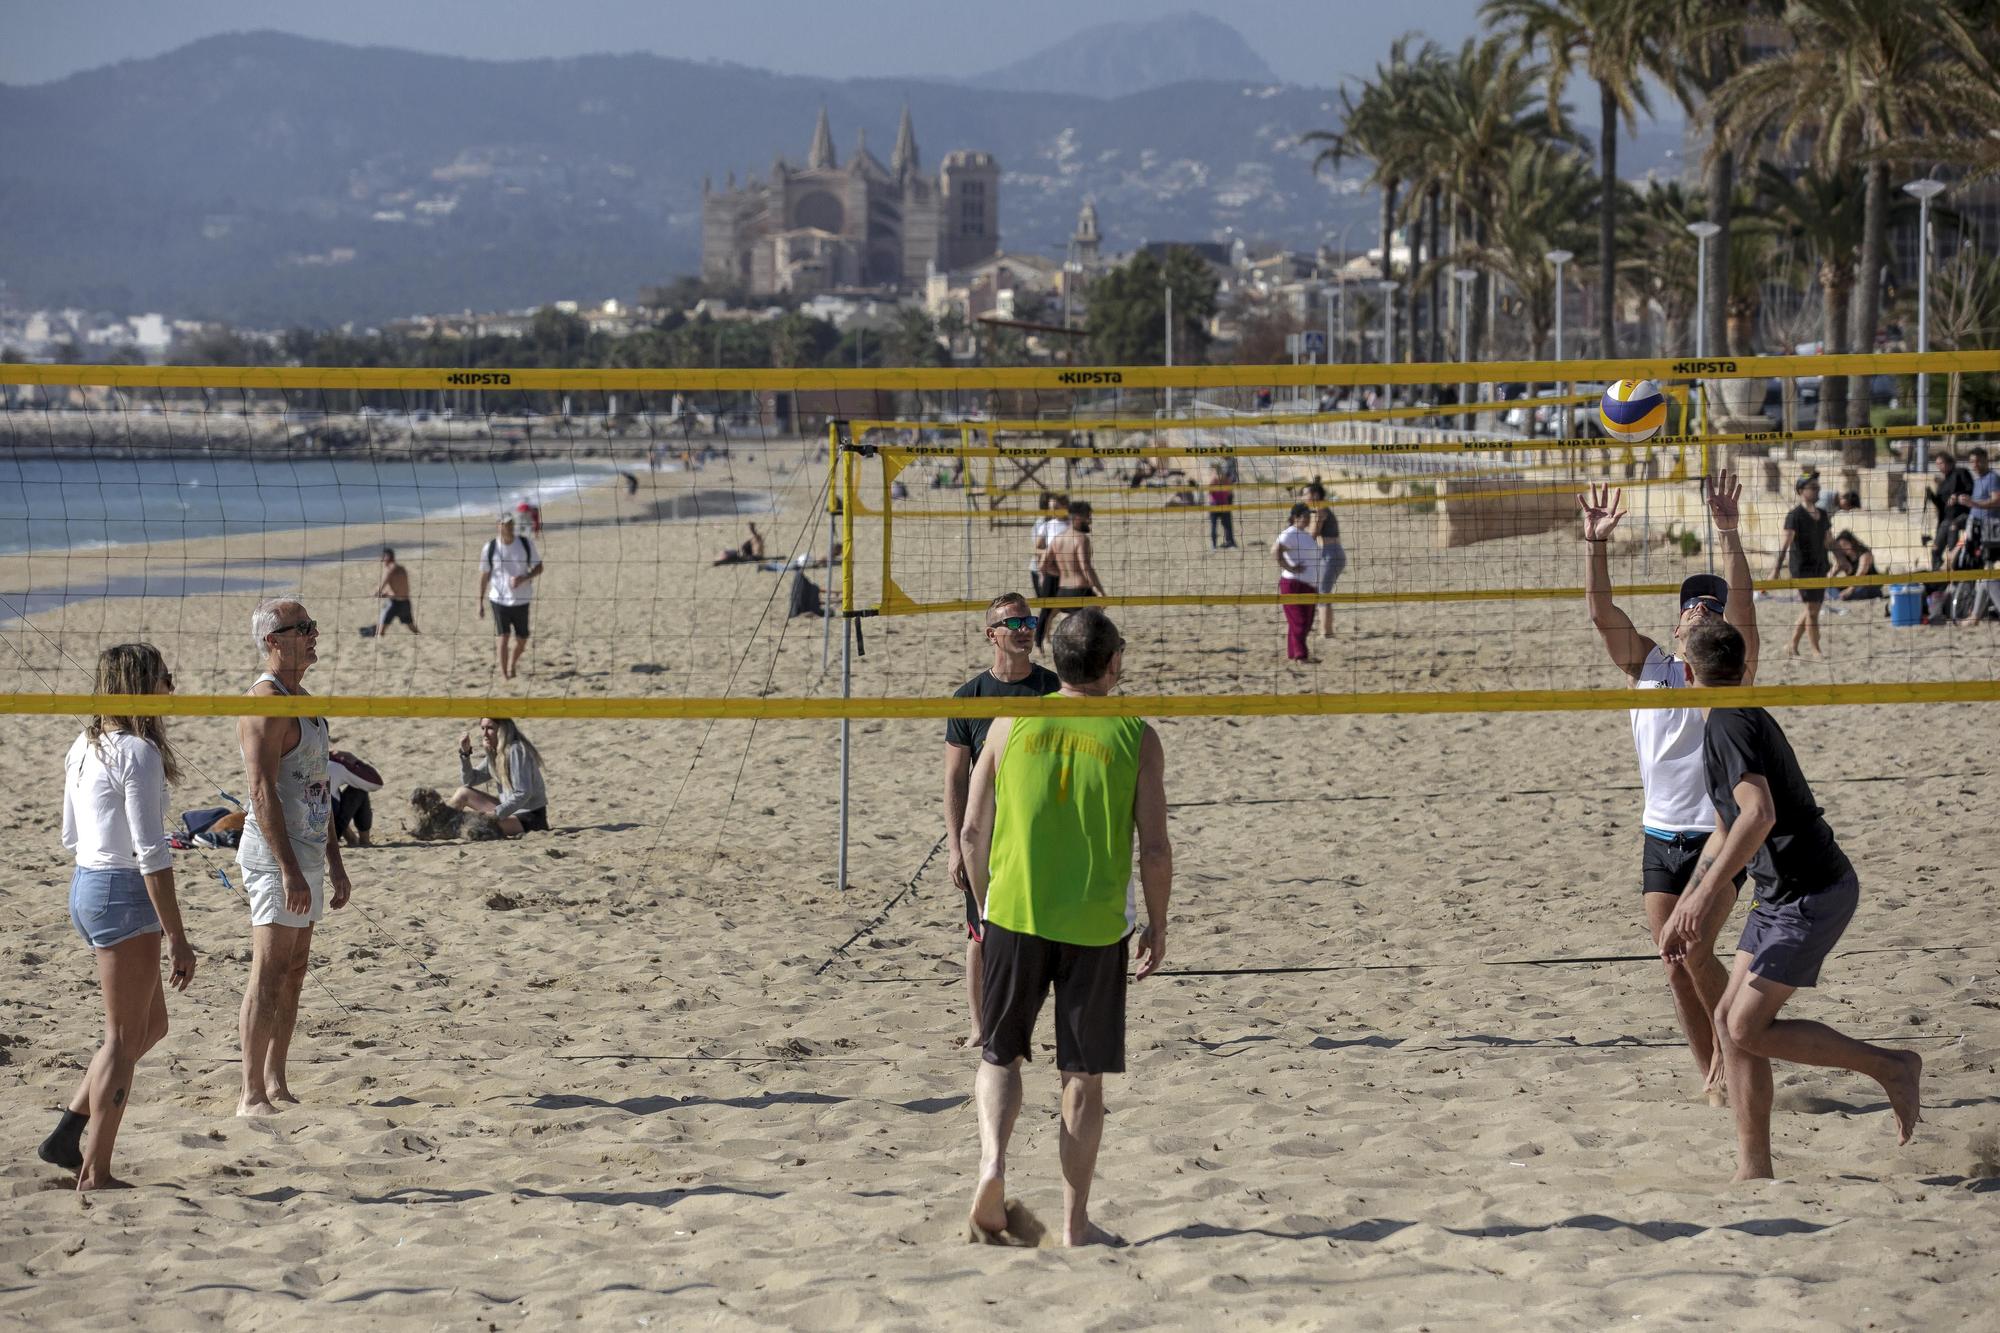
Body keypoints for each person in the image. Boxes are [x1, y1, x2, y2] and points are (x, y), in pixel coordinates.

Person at [1662, 620, 1923, 1179]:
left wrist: (1702, 898)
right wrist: (1692, 900)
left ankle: (1892, 1066)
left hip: (1813, 891)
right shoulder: (1731, 715)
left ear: (1686, 674)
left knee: (1746, 1027)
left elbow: (1759, 815)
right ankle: (1754, 1170)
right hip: (1780, 892)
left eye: (1678, 649)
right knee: (1731, 1022)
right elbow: (1725, 825)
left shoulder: (1729, 723)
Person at [959, 608, 1171, 1247]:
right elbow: (1155, 849)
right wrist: (1159, 923)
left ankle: (993, 1162)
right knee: (1082, 1075)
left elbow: (972, 830)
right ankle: (1076, 1225)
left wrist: (983, 904)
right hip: (1094, 921)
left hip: (1015, 911)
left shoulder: (1009, 721)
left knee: (1000, 1053)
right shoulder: (1135, 733)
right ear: (1112, 665)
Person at [1579, 471, 1758, 1098]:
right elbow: (1601, 613)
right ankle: (1712, 1066)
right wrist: (1596, 545)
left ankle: (1735, 1049)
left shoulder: (1729, 672)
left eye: (1709, 604)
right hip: (1660, 835)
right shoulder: (1650, 664)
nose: (1698, 608)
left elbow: (1745, 613)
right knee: (1673, 962)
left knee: (1696, 954)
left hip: (1717, 838)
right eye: (1690, 602)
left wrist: (1729, 533)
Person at [41, 643, 196, 1190]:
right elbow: (151, 854)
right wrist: (178, 937)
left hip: (86, 885)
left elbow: (70, 835)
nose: (171, 687)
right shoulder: (139, 751)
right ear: (138, 685)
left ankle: (67, 1133)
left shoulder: (82, 745)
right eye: (164, 677)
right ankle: (96, 1171)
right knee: (122, 1038)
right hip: (122, 891)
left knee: (151, 1026)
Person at [236, 599, 350, 1117]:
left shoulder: (304, 698)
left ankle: (277, 1081)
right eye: (302, 628)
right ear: (273, 642)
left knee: (296, 970)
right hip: (273, 856)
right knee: (269, 969)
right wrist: (287, 871)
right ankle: (250, 1093)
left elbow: (318, 785)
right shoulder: (264, 702)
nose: (314, 633)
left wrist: (335, 859)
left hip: (307, 850)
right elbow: (261, 794)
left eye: (313, 625)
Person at [944, 594, 1063, 1048]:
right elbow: (955, 778)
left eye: (1028, 620)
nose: (1023, 628)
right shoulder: (969, 697)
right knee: (983, 931)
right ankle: (979, 1027)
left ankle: (1039, 1021)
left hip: (1043, 830)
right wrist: (956, 846)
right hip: (989, 834)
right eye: (1011, 622)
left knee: (1049, 931)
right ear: (990, 633)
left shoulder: (1054, 689)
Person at [449, 717, 550, 836]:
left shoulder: (516, 750)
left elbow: (523, 793)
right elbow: (469, 780)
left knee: (472, 827)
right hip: (508, 811)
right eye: (483, 728)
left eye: (490, 728)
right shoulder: (496, 752)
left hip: (529, 818)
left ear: (503, 730)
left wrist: (496, 814)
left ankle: (444, 828)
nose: (485, 734)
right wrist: (465, 754)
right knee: (463, 792)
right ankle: (437, 825)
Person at [1772, 476, 1832, 657]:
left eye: (1817, 487)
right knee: (1812, 610)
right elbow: (1785, 544)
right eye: (1812, 487)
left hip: (1820, 567)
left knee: (1812, 609)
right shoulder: (1794, 515)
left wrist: (1842, 560)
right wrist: (1776, 569)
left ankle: (1792, 644)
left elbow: (1829, 540)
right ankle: (1816, 650)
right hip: (1802, 569)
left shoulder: (1823, 514)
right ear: (1801, 491)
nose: (1817, 490)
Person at [479, 511, 542, 681]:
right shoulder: (490, 547)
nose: (509, 527)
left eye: (511, 523)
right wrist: (480, 602)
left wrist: (524, 578)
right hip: (498, 599)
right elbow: (484, 575)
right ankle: (504, 673)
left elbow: (539, 567)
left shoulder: (525, 543)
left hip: (522, 599)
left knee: (522, 640)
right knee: (503, 637)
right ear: (498, 526)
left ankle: (513, 663)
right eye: (505, 524)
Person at [1040, 501, 1105, 643]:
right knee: (1097, 629)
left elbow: (1043, 565)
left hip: (1062, 591)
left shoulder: (1057, 539)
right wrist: (1099, 590)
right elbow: (1085, 567)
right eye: (1088, 517)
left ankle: (1046, 640)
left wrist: (1060, 572)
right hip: (1081, 591)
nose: (1090, 520)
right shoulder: (1081, 539)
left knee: (1061, 621)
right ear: (1077, 518)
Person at [1952, 446, 1998, 625]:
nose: (1975, 465)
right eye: (1972, 461)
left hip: (1992, 531)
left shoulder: (1992, 478)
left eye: (1978, 461)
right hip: (1976, 529)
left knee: (1986, 571)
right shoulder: (1978, 480)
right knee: (1968, 565)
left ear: (1986, 460)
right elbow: (1976, 506)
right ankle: (1974, 612)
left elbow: (1996, 500)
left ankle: (1976, 614)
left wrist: (1973, 503)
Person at [1272, 502, 1320, 664]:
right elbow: (1275, 551)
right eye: (1305, 516)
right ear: (1295, 518)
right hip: (1293, 584)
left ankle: (1294, 653)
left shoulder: (1305, 535)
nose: (1308, 519)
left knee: (1306, 623)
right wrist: (1290, 568)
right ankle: (1301, 656)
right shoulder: (1290, 533)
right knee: (1298, 621)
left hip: (1309, 585)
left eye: (1309, 516)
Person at [1305, 481, 1346, 639]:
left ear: (1315, 495)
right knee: (1322, 592)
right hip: (1330, 553)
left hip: (1331, 554)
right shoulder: (1320, 509)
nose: (1303, 497)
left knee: (1323, 593)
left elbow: (1312, 535)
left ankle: (1327, 632)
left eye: (1305, 494)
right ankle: (1325, 629)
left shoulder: (1319, 510)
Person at [1924, 451, 1974, 571]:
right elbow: (1941, 505)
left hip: (1961, 516)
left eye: (1941, 463)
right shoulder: (1943, 482)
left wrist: (1957, 496)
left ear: (1949, 462)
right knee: (1935, 550)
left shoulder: (1960, 473)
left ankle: (1955, 574)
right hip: (1945, 520)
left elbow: (1971, 489)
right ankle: (1938, 577)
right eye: (1937, 464)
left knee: (1953, 549)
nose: (1939, 467)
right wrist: (1931, 496)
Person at [1030, 496, 1069, 649]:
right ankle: (1039, 642)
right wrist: (1049, 554)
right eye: (1050, 507)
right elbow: (1036, 550)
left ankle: (1058, 640)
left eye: (1056, 506)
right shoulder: (1045, 525)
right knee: (1047, 608)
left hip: (1068, 574)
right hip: (1050, 572)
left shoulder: (1072, 524)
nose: (1052, 510)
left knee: (1070, 608)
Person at [329, 749, 384, 848]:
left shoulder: (292, 762)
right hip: (327, 836)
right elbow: (376, 783)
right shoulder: (333, 763)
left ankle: (352, 839)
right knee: (359, 789)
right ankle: (364, 841)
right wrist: (355, 760)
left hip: (297, 836)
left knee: (330, 796)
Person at [373, 548, 418, 636]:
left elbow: (380, 589)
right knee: (412, 627)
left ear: (387, 557)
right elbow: (402, 588)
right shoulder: (402, 569)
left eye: (382, 558)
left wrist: (378, 594)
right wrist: (387, 593)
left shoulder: (389, 570)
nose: (381, 560)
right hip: (405, 601)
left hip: (393, 603)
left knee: (380, 631)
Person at [1829, 531, 1882, 602]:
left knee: (1857, 591)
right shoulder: (1844, 558)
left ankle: (1841, 597)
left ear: (1852, 542)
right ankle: (1839, 597)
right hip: (1853, 585)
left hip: (1869, 585)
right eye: (1841, 546)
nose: (1843, 548)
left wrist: (1849, 590)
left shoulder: (1864, 555)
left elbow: (1860, 576)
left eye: (1845, 544)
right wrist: (1836, 565)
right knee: (1829, 588)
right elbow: (1829, 577)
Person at [1205, 462, 1236, 551]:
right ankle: (1216, 545)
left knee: (1223, 525)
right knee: (1219, 525)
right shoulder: (1218, 480)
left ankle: (1221, 544)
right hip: (1217, 505)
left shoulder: (1217, 480)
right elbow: (1229, 492)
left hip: (1218, 504)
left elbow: (1209, 491)